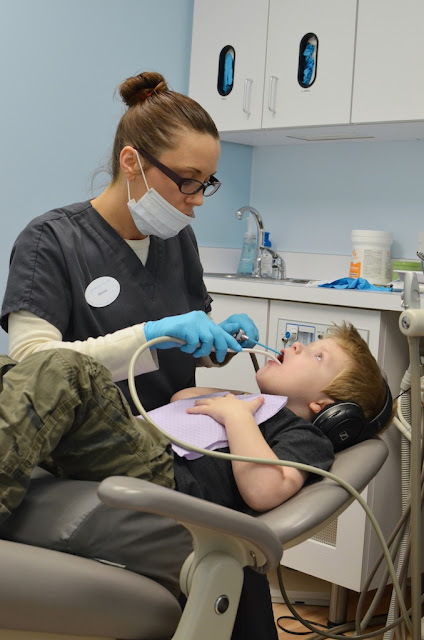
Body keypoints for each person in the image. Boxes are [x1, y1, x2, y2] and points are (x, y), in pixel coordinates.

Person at [0, 321, 395, 639]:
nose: (296, 346)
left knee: (67, 369)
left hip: (163, 473)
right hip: (140, 449)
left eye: (317, 355)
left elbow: (264, 489)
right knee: (8, 369)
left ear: (326, 407)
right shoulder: (249, 405)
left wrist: (238, 418)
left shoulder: (302, 435)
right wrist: (235, 399)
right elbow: (183, 398)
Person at [0, 70, 258, 413]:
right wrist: (147, 336)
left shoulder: (178, 238)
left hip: (180, 429)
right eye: (188, 179)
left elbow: (185, 350)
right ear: (131, 162)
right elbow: (32, 367)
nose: (198, 198)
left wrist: (218, 343)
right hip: (94, 437)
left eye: (207, 182)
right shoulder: (50, 241)